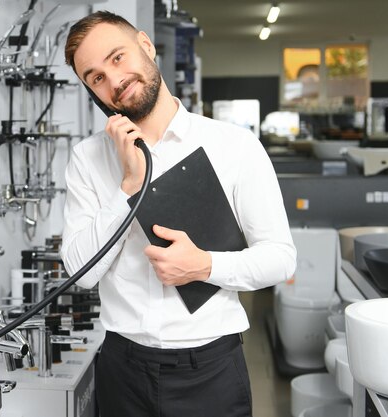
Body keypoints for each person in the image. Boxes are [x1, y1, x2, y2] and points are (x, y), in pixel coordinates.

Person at [59, 11, 297, 417]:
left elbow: (280, 258)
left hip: (211, 372)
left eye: (118, 58)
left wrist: (204, 266)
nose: (114, 81)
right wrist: (128, 187)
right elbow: (80, 273)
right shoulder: (88, 159)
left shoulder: (234, 145)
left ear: (146, 45)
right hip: (122, 370)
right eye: (95, 77)